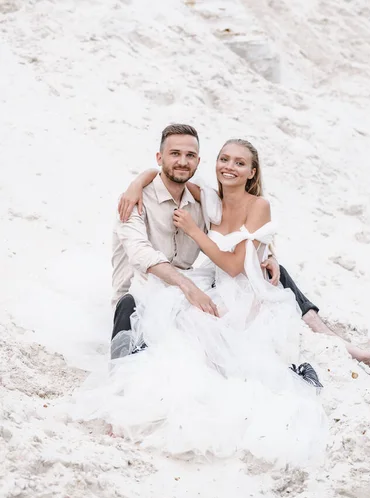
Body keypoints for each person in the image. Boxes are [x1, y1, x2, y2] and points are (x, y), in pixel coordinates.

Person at [74, 127, 328, 465]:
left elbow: (239, 239)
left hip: (185, 288)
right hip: (142, 288)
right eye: (174, 154)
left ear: (198, 161)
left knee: (232, 312)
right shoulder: (134, 202)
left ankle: (316, 324)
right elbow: (141, 256)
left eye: (190, 155)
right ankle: (121, 401)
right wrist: (138, 182)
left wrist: (268, 255)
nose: (182, 161)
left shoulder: (202, 202)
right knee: (135, 318)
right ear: (159, 157)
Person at [117, 127, 370, 367]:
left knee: (272, 278)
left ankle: (333, 338)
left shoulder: (233, 204)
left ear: (252, 171)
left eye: (240, 163)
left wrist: (196, 232)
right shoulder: (209, 199)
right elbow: (168, 181)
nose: (230, 167)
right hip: (169, 284)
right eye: (224, 159)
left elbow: (240, 257)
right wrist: (136, 183)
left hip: (228, 281)